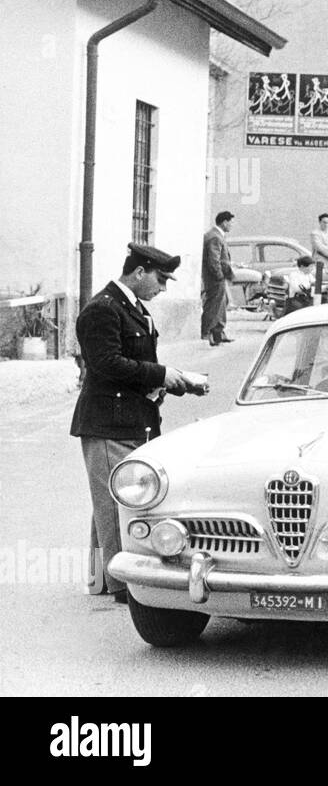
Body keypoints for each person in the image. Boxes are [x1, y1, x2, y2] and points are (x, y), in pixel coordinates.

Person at [70, 244, 204, 603]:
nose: (163, 288)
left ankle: (100, 579)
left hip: (131, 418)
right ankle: (121, 586)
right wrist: (164, 373)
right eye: (160, 279)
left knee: (114, 498)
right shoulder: (104, 309)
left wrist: (171, 383)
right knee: (116, 505)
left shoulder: (131, 308)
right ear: (139, 272)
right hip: (108, 422)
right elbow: (108, 364)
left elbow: (134, 366)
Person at [201, 211, 235, 345]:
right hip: (215, 278)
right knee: (214, 305)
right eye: (230, 223)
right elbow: (213, 260)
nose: (231, 226)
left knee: (222, 303)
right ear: (224, 222)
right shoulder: (215, 237)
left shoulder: (217, 235)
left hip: (218, 277)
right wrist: (219, 276)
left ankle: (218, 332)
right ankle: (207, 333)